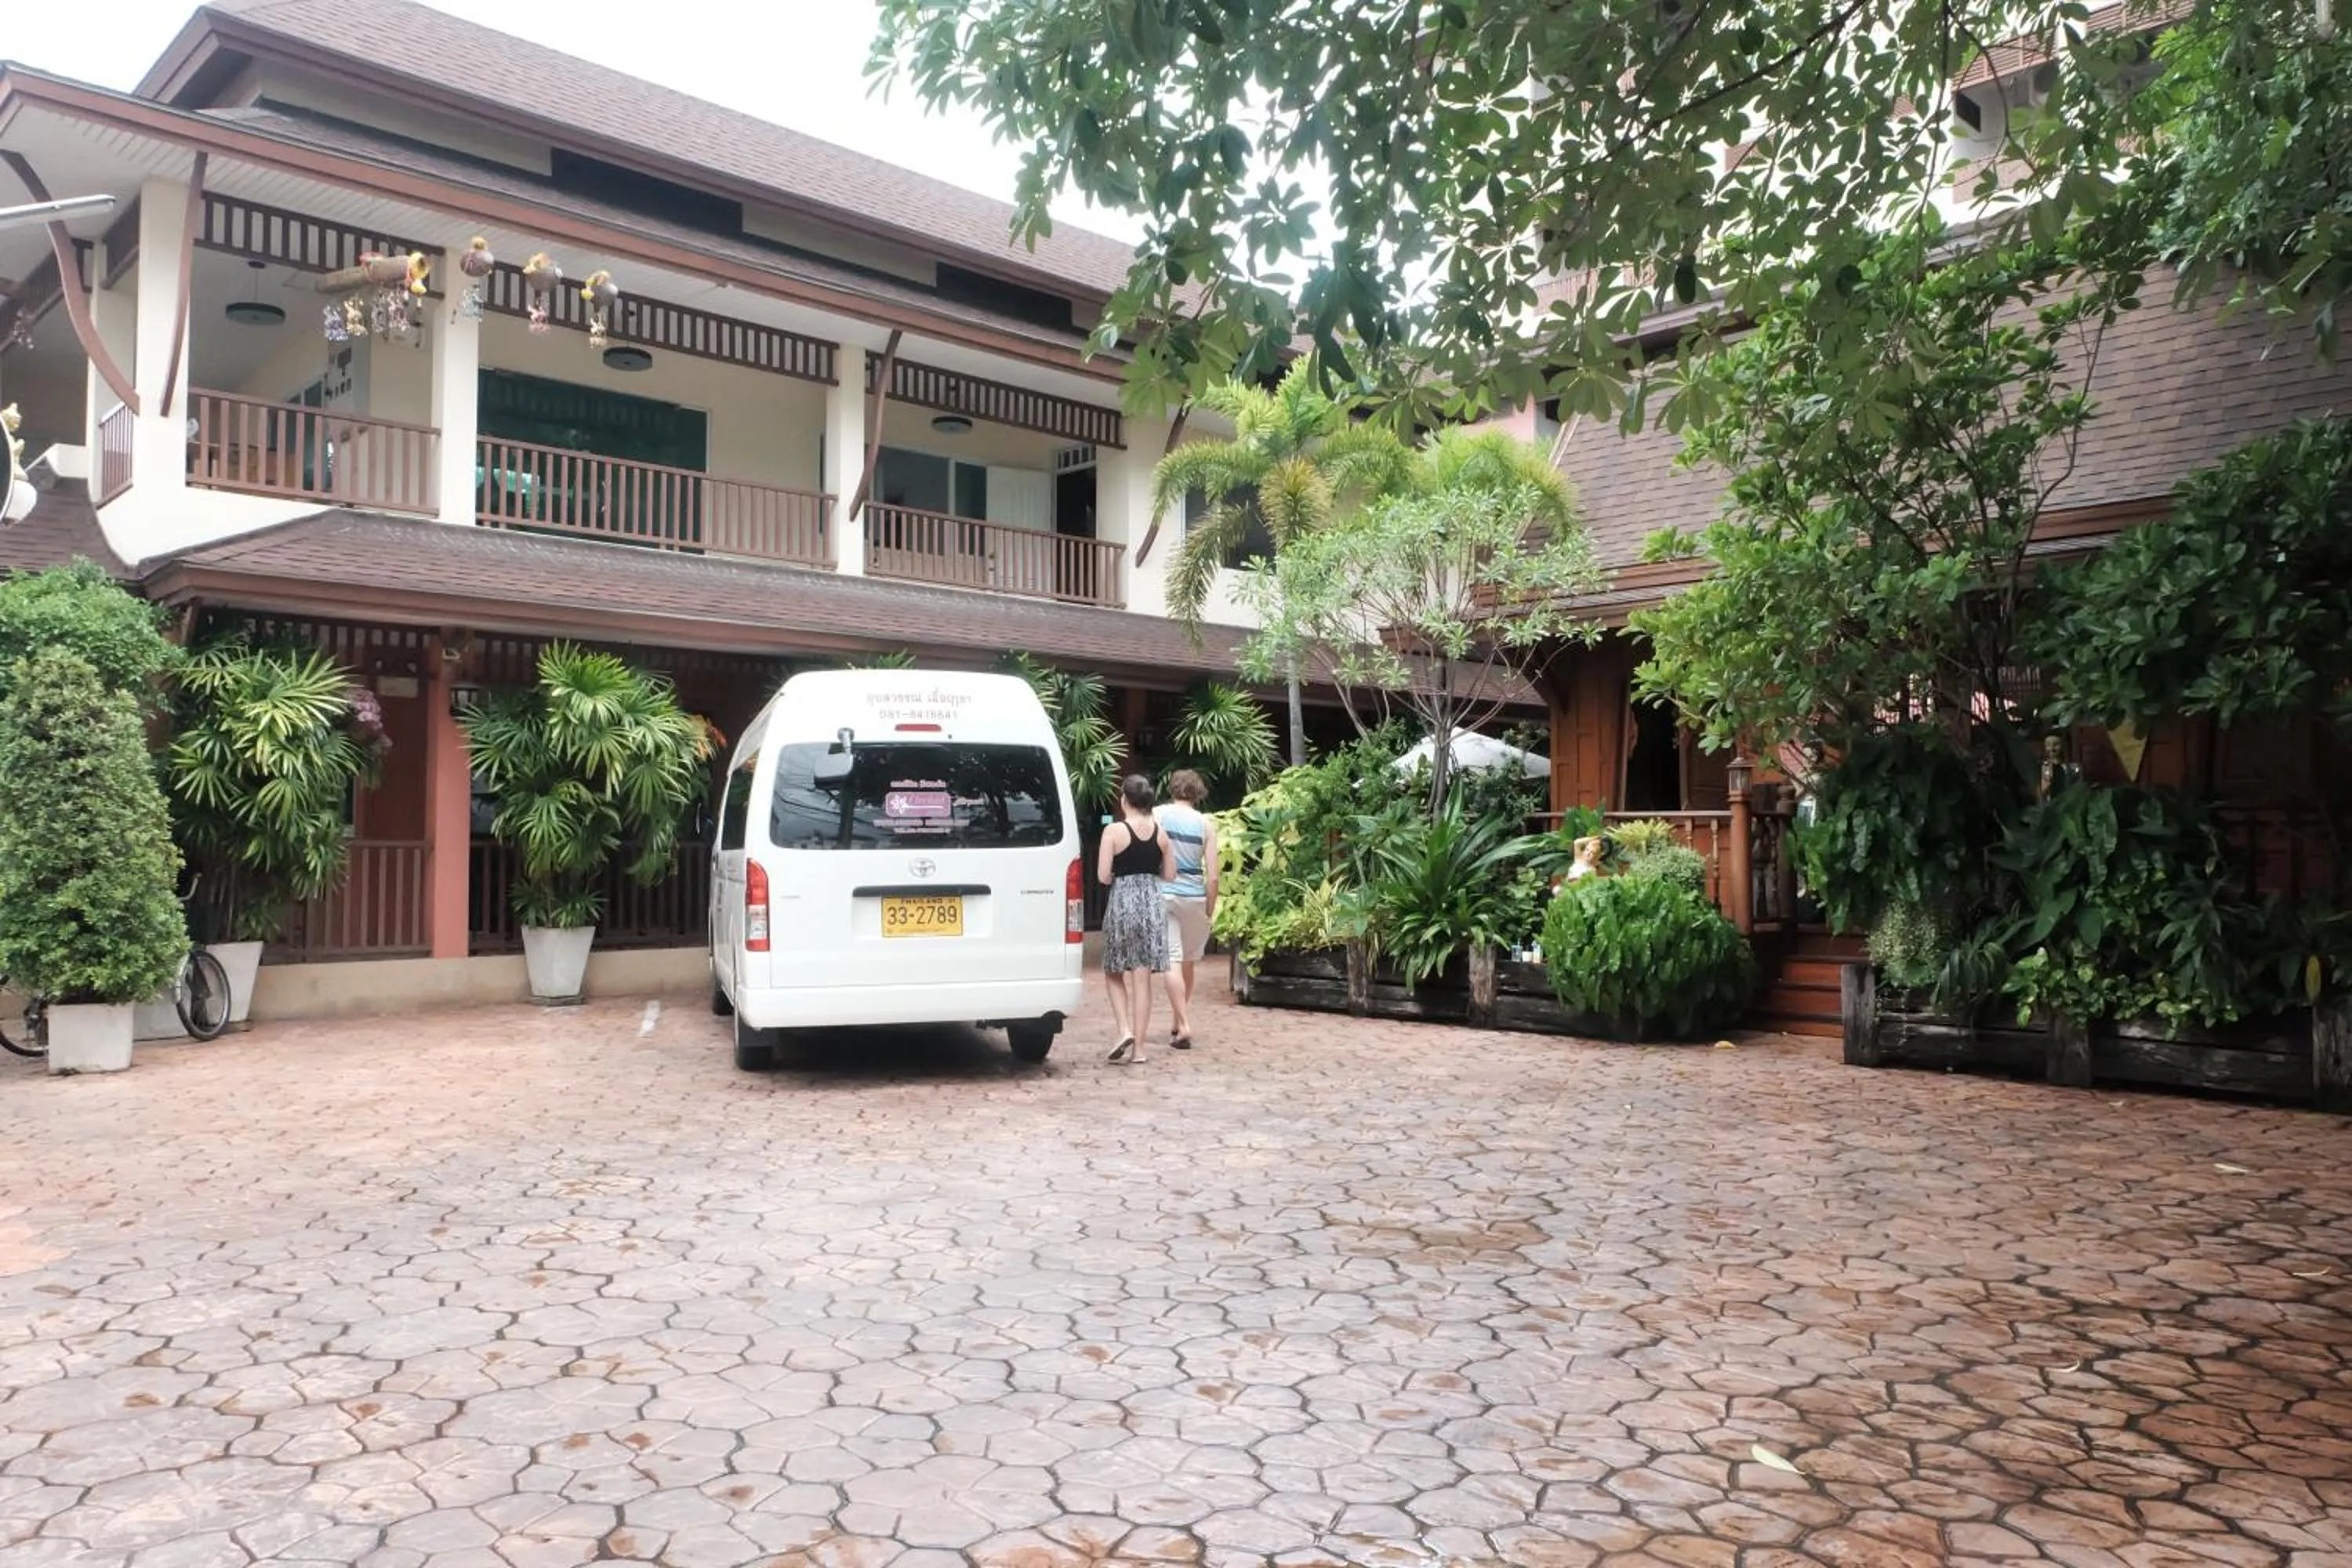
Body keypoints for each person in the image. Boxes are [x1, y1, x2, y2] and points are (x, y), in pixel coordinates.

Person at [1097, 773, 1174, 1063]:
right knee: (1143, 978)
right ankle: (1140, 1050)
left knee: (1114, 970)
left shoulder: (1114, 832)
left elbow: (1103, 876)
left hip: (1124, 901)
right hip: (1152, 902)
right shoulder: (1161, 833)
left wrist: (1120, 874)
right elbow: (1170, 874)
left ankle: (1124, 1029)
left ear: (1124, 800)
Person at [1156, 770, 1219, 1050]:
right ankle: (1178, 1019)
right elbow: (1214, 876)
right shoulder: (1206, 824)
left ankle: (1183, 1025)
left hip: (1165, 892)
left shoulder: (1158, 815)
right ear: (1197, 793)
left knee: (1171, 958)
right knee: (1188, 961)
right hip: (1195, 896)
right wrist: (1210, 906)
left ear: (1173, 788)